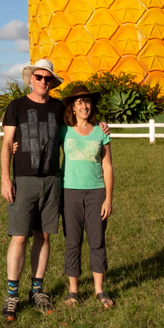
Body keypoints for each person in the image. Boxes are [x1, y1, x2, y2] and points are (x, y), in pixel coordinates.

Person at [0, 59, 108, 322]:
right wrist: (5, 178)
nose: (43, 82)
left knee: (44, 236)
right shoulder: (16, 106)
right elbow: (7, 144)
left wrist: (102, 125)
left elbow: (78, 124)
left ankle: (37, 290)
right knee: (19, 236)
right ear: (31, 78)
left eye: (48, 79)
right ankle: (12, 294)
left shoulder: (59, 107)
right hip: (24, 179)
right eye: (39, 77)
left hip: (53, 180)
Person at [59, 85, 114, 308]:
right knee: (72, 241)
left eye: (87, 101)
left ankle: (99, 290)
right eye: (79, 102)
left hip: (96, 192)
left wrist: (108, 198)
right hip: (69, 192)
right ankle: (73, 291)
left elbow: (108, 167)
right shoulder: (64, 131)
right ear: (72, 107)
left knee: (97, 240)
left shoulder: (102, 132)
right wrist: (16, 146)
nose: (84, 105)